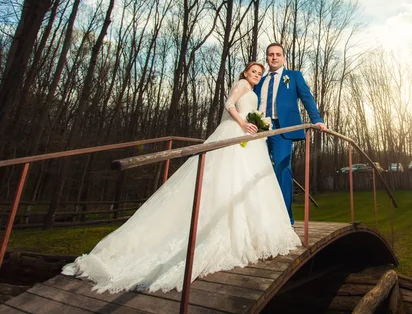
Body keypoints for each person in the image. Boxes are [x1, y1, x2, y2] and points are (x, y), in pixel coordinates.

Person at [62, 62, 301, 294]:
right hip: (235, 132)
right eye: (254, 71)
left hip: (249, 139)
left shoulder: (252, 89)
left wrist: (256, 124)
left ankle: (251, 230)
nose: (257, 75)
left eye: (260, 72)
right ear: (245, 72)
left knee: (245, 183)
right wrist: (243, 122)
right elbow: (229, 104)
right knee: (225, 178)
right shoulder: (240, 84)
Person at [255, 43, 327, 226]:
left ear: (284, 57)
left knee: (282, 169)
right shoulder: (260, 81)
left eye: (278, 54)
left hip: (283, 129)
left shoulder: (293, 76)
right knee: (254, 171)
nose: (274, 57)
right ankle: (260, 219)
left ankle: (286, 219)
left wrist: (316, 118)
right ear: (267, 57)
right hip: (259, 129)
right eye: (271, 54)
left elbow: (306, 97)